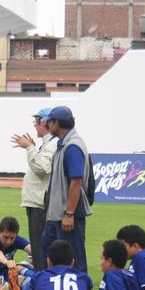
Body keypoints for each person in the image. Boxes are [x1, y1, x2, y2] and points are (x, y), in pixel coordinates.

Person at [41, 106, 92, 273]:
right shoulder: (64, 144)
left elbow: (76, 182)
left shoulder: (72, 146)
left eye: (49, 122)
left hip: (67, 216)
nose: (46, 125)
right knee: (48, 254)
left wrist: (69, 214)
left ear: (57, 122)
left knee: (74, 261)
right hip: (56, 215)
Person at [11, 107, 57, 271]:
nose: (34, 126)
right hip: (37, 202)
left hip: (39, 203)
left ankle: (41, 277)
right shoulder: (49, 144)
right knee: (39, 246)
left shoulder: (52, 144)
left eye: (36, 122)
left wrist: (30, 148)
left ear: (44, 123)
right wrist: (33, 148)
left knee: (39, 247)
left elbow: (42, 168)